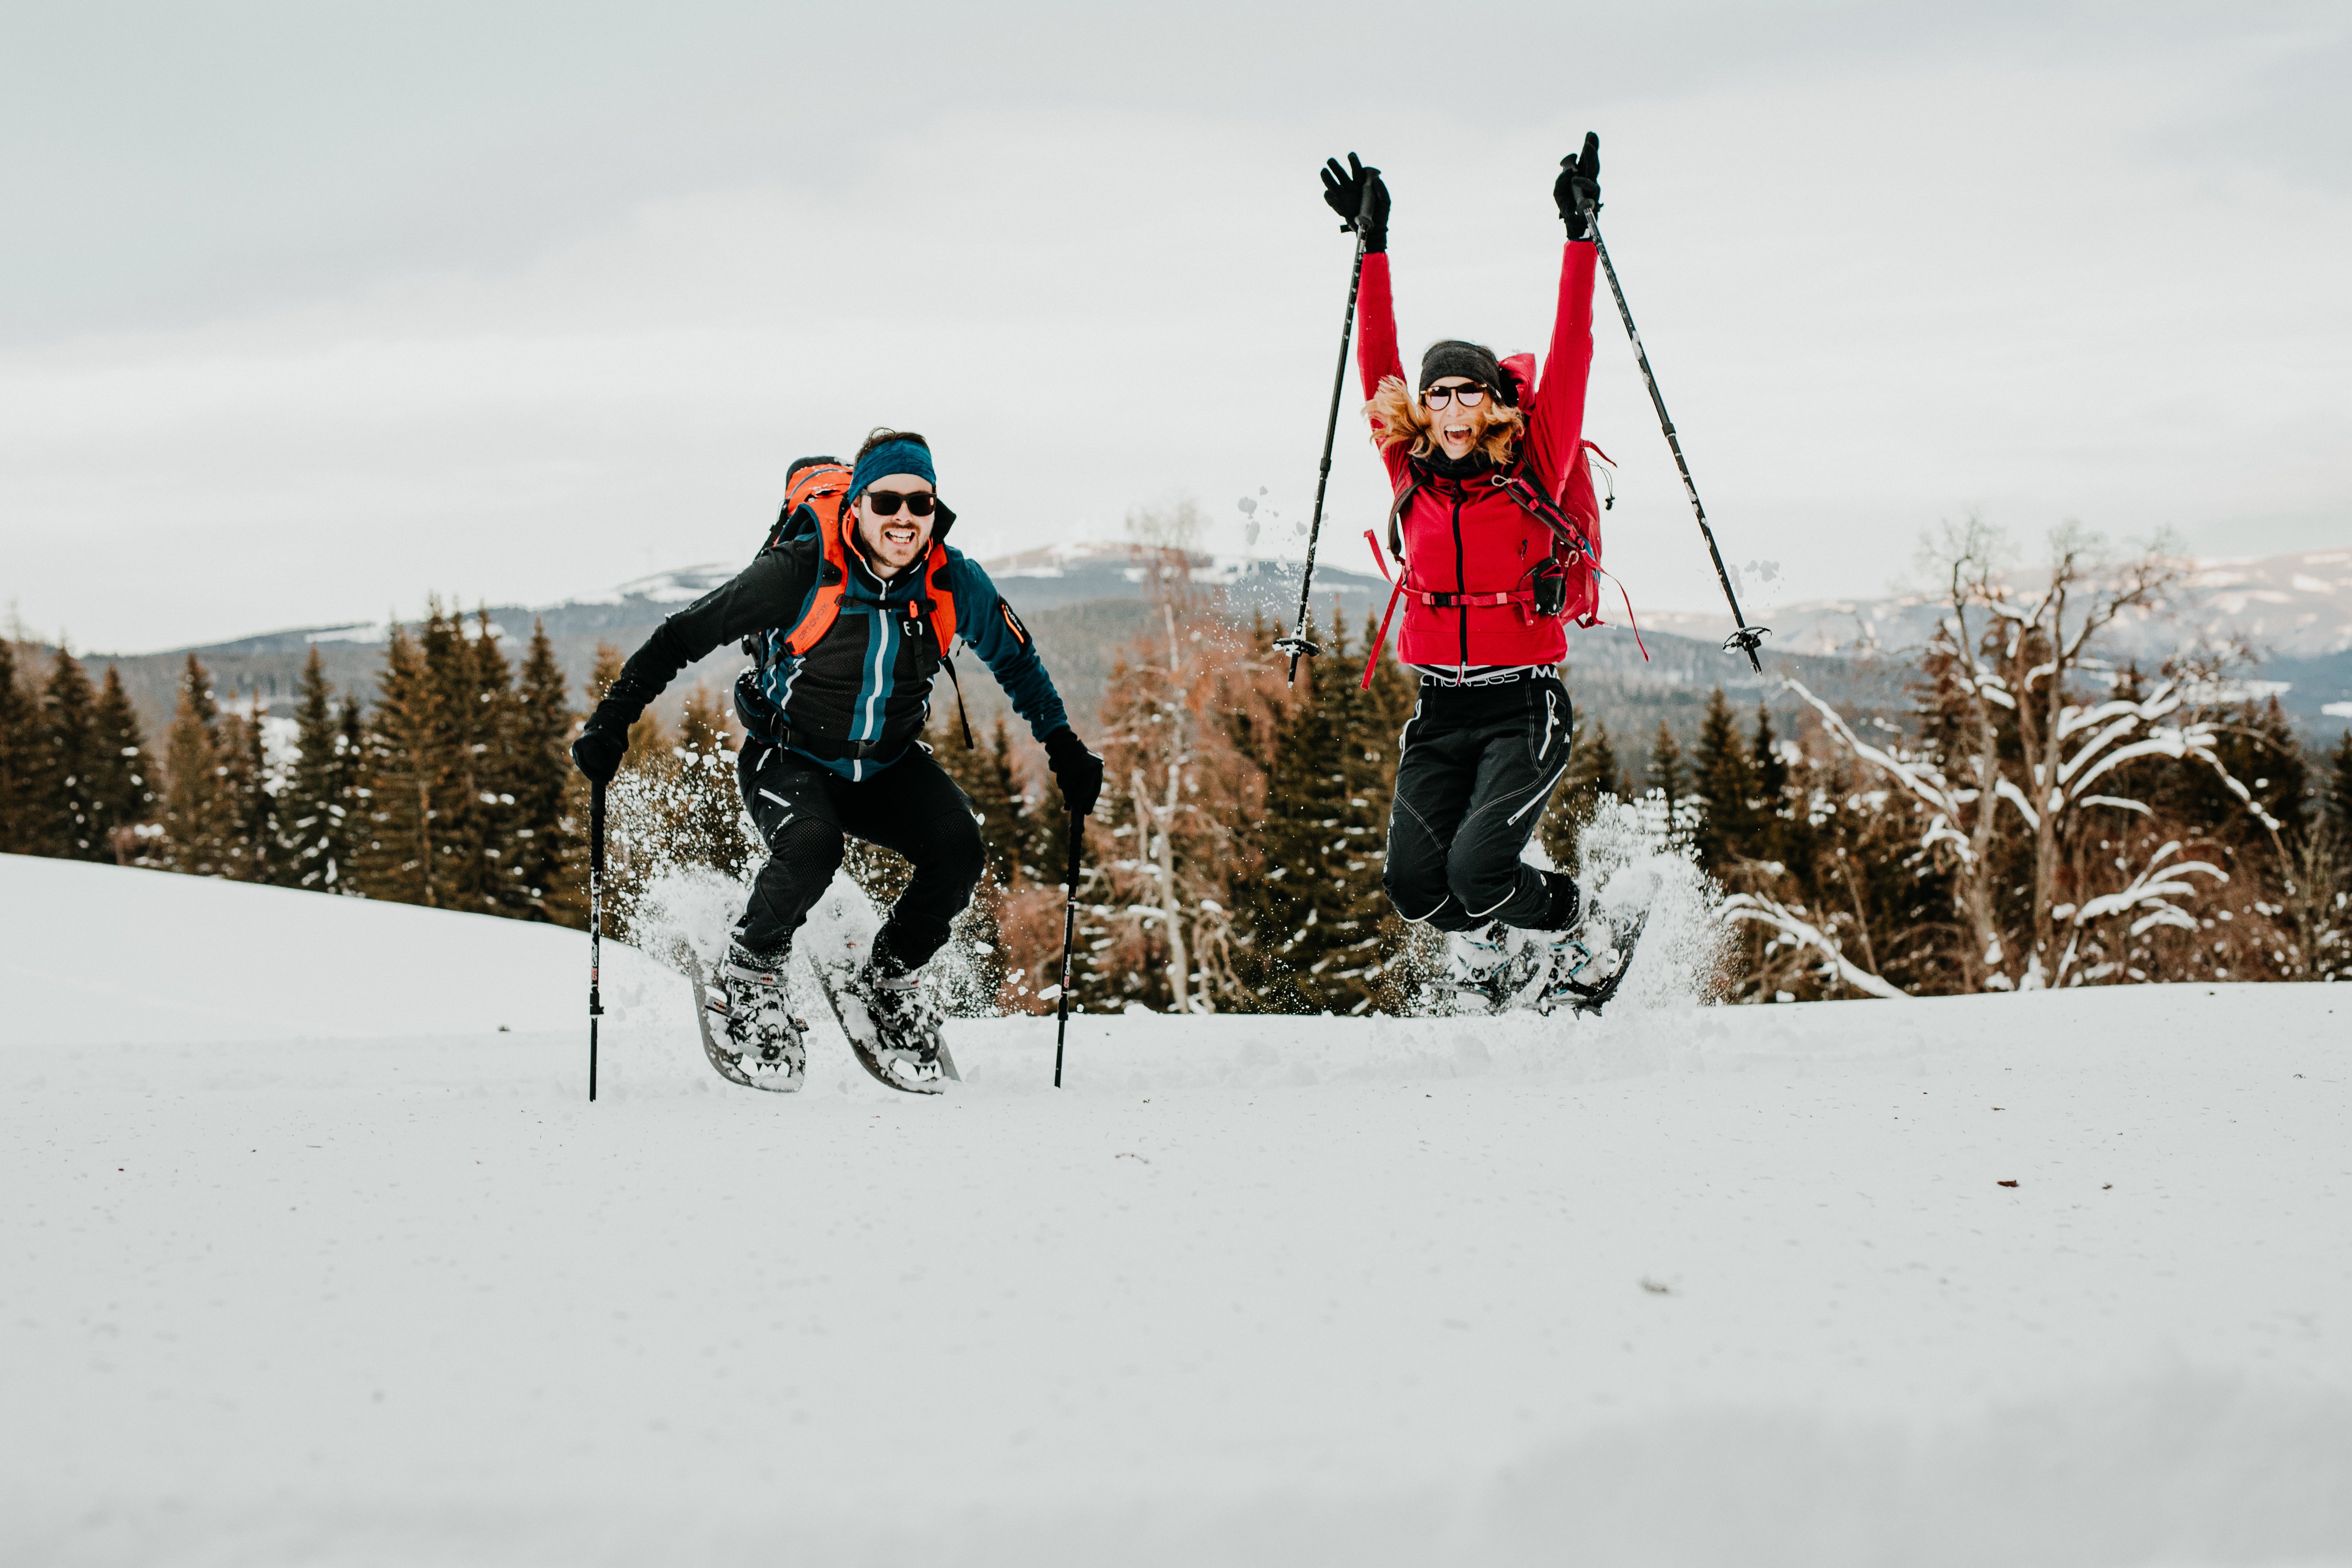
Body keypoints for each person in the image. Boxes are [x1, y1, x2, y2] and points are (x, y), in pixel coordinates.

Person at [570, 428, 1103, 1087]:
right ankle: (753, 968)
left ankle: (890, 974)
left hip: (887, 762)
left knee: (959, 850)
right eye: (886, 502)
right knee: (813, 849)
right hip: (787, 754)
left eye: (920, 504)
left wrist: (1065, 748)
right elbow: (682, 635)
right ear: (857, 504)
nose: (904, 518)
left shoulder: (952, 580)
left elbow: (1018, 661)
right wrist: (611, 721)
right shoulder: (801, 570)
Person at [1325, 135, 1617, 1010]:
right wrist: (1372, 249)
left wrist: (1580, 236)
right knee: (1420, 886)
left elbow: (1573, 349)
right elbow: (1375, 356)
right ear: (1424, 408)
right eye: (1439, 394)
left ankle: (1581, 929)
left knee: (1478, 866)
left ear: (1492, 402)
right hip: (1440, 708)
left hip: (1523, 705)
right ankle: (1490, 945)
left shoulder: (1535, 467)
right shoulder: (1408, 472)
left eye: (1468, 392)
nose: (1453, 408)